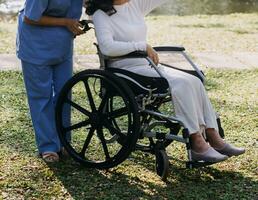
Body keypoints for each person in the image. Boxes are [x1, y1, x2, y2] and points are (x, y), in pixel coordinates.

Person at [85, 0, 245, 162]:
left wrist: (143, 49)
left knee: (194, 80)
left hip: (147, 64)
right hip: (125, 68)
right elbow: (107, 47)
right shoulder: (101, 15)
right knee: (181, 84)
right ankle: (197, 142)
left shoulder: (134, 5)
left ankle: (212, 135)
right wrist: (141, 46)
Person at [16, 0, 84, 162]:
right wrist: (67, 22)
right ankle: (48, 146)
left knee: (64, 93)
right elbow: (30, 18)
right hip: (35, 44)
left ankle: (63, 141)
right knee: (41, 97)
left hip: (62, 43)